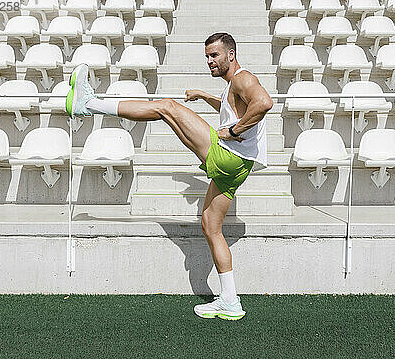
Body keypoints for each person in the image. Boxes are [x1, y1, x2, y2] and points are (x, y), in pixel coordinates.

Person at [65, 32, 273, 320]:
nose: (209, 61)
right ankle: (230, 301)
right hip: (239, 168)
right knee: (211, 227)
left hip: (230, 157)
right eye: (207, 56)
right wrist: (205, 96)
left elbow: (263, 103)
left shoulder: (243, 78)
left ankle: (89, 104)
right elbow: (233, 108)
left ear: (231, 54)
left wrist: (235, 132)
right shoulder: (232, 85)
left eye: (214, 55)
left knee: (167, 107)